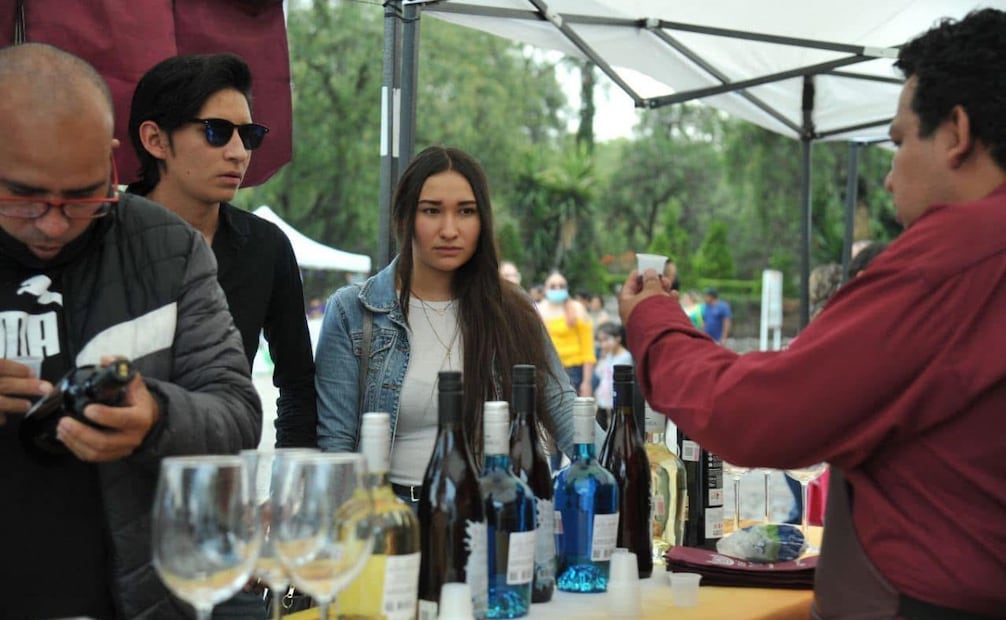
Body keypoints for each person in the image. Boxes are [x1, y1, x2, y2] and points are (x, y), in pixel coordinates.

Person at [618, 9, 1006, 617]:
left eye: (899, 141)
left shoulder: (955, 259)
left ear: (956, 132)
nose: (887, 177)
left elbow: (759, 413)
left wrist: (654, 321)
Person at [0, 43, 261, 619]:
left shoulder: (169, 248)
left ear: (113, 160)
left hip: (134, 600)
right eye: (22, 196)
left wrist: (157, 420)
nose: (53, 222)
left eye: (82, 194)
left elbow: (237, 413)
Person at [314, 146, 576, 503]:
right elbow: (336, 449)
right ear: (405, 217)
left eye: (466, 212)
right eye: (432, 211)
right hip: (391, 520)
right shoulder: (353, 311)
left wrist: (632, 473)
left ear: (482, 220)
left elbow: (564, 410)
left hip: (490, 517)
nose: (449, 230)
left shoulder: (513, 310)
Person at [127, 53, 317, 449]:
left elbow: (298, 384)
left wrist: (285, 487)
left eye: (248, 136)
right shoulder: (101, 238)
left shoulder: (266, 248)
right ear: (155, 139)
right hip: (108, 488)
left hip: (221, 486)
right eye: (217, 131)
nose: (238, 152)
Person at [538, 270, 596, 397]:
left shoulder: (577, 309)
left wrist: (587, 382)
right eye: (553, 286)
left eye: (561, 286)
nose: (557, 289)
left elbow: (588, 350)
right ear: (545, 289)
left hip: (573, 371)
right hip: (547, 370)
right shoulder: (538, 310)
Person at [592, 321, 632, 430]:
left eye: (606, 339)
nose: (603, 344)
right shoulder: (608, 355)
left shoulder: (625, 357)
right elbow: (599, 373)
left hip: (616, 400)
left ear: (618, 338)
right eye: (600, 341)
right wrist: (603, 358)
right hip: (603, 399)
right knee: (600, 427)